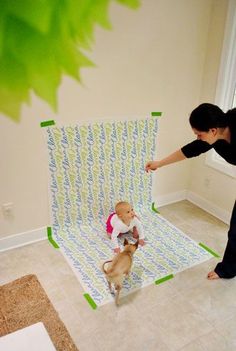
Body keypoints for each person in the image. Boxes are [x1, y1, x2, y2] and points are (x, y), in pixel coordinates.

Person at [145, 103, 236, 280]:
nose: (198, 137)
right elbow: (190, 150)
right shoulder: (214, 137)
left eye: (199, 134)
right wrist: (159, 163)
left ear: (213, 130)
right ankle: (228, 269)